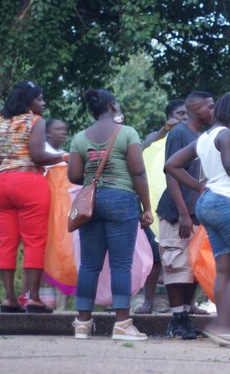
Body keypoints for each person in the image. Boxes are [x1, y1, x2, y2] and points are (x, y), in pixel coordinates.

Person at [165, 93, 230, 346]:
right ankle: (221, 324)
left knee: (224, 268)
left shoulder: (205, 137)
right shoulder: (227, 135)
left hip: (208, 203)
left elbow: (172, 165)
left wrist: (198, 187)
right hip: (227, 204)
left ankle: (225, 327)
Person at [0, 79, 66, 314]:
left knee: (7, 242)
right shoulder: (35, 121)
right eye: (40, 98)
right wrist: (63, 156)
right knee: (34, 241)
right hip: (29, 182)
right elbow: (38, 155)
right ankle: (33, 298)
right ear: (29, 102)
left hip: (2, 183)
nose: (43, 102)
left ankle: (10, 299)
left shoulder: (0, 121)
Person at [67, 88, 153, 341]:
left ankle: (82, 323)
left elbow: (73, 176)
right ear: (113, 107)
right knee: (120, 265)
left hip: (91, 205)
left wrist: (94, 169)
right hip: (121, 201)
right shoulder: (127, 133)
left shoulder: (80, 138)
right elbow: (138, 172)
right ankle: (122, 324)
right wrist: (146, 207)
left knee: (89, 266)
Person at [156, 91, 215, 339]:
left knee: (192, 268)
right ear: (195, 109)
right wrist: (182, 212)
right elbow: (171, 173)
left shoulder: (204, 137)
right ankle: (177, 320)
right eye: (210, 106)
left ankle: (185, 318)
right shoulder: (180, 133)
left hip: (197, 213)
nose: (214, 110)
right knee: (175, 265)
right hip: (177, 213)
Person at [134, 99, 188, 315]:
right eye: (179, 113)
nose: (183, 117)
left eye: (186, 113)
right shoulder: (157, 137)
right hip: (157, 203)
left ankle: (188, 304)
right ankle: (148, 302)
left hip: (185, 200)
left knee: (186, 257)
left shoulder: (191, 137)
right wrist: (166, 129)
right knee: (156, 255)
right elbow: (147, 147)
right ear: (169, 116)